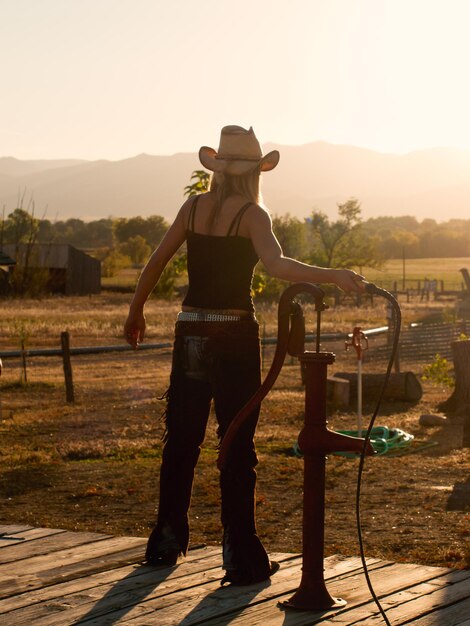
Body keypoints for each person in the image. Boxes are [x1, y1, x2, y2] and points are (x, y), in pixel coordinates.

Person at [124, 125, 366, 586]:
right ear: (255, 171)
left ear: (217, 167)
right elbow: (277, 267)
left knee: (181, 439)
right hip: (235, 333)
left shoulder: (193, 206)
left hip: (189, 329)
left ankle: (166, 538)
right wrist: (333, 275)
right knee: (236, 443)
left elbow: (156, 259)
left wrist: (136, 310)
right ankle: (240, 555)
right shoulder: (253, 214)